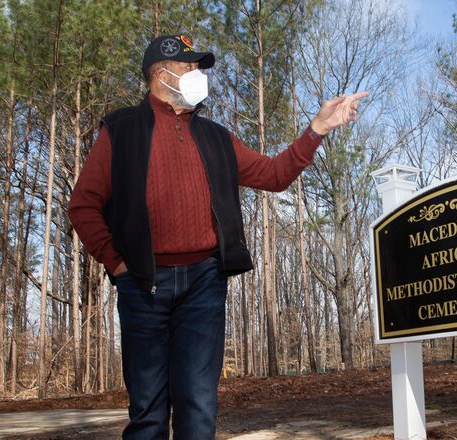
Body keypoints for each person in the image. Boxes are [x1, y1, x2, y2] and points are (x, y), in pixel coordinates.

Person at [66, 34, 367, 440]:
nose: (200, 76)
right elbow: (82, 205)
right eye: (191, 68)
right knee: (148, 412)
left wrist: (318, 128)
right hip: (142, 283)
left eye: (200, 69)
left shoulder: (217, 137)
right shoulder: (120, 130)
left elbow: (275, 174)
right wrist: (116, 263)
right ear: (161, 73)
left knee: (199, 407)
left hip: (204, 285)